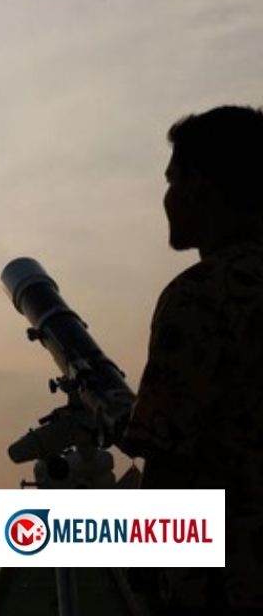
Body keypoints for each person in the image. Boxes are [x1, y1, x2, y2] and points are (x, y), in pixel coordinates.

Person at [121, 106, 263, 613]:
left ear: (200, 185)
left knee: (39, 533)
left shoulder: (201, 295)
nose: (167, 197)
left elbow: (169, 455)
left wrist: (141, 562)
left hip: (230, 578)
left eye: (172, 180)